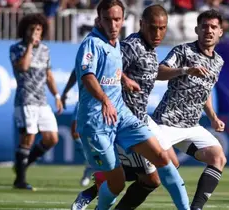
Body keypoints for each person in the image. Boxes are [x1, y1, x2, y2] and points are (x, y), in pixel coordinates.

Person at [72, 0, 189, 209]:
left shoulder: (118, 44)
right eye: (108, 20)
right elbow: (87, 74)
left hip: (131, 116)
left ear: (123, 20)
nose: (113, 24)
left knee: (167, 161)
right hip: (106, 118)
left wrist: (125, 80)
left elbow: (115, 71)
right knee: (137, 180)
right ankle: (97, 189)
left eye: (117, 19)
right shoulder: (124, 45)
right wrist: (104, 100)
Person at [153, 9, 227, 210]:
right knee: (144, 174)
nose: (209, 31)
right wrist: (185, 70)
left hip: (191, 127)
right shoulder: (183, 51)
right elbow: (158, 72)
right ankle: (95, 189)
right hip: (166, 123)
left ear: (220, 32)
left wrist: (212, 117)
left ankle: (196, 208)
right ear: (197, 29)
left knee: (218, 157)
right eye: (204, 26)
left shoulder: (218, 61)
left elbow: (205, 91)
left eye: (213, 27)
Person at [9, 13, 63, 190]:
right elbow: (23, 67)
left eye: (38, 29)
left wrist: (57, 96)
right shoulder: (16, 48)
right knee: (28, 137)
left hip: (42, 101)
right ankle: (20, 181)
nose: (35, 32)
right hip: (26, 100)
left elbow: (48, 75)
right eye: (31, 29)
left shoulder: (46, 50)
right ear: (24, 30)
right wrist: (30, 46)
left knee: (51, 138)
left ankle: (22, 165)